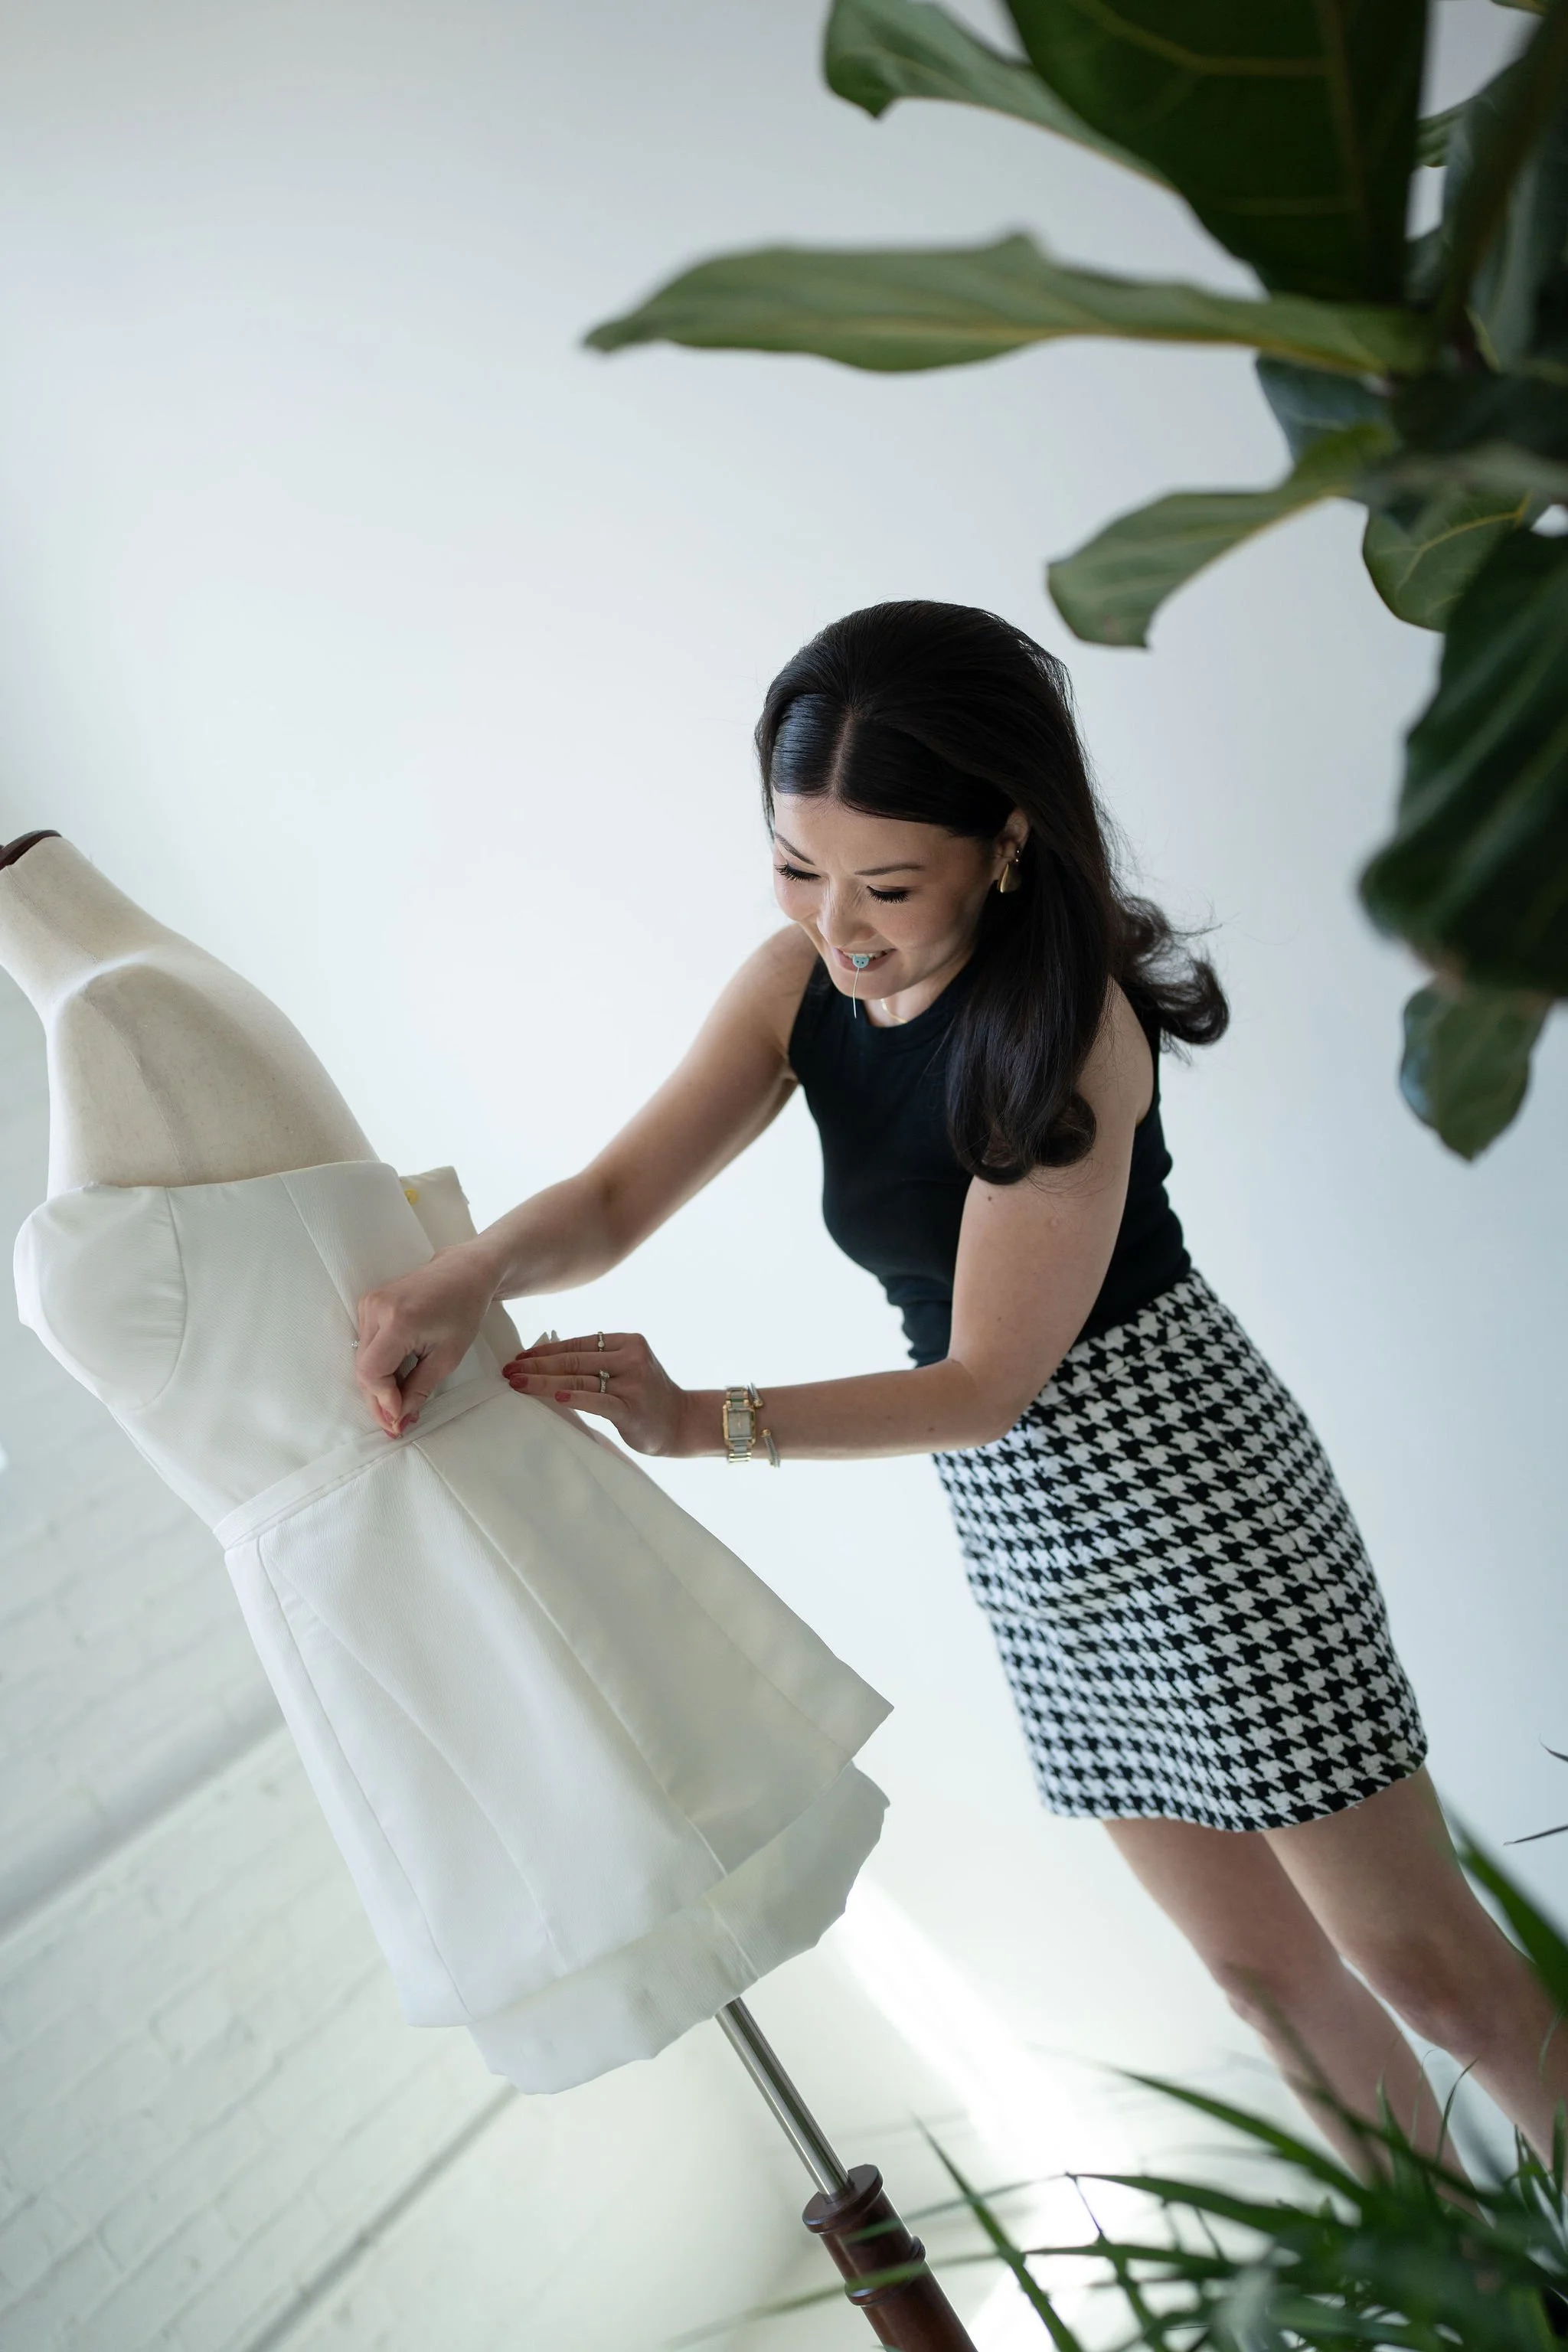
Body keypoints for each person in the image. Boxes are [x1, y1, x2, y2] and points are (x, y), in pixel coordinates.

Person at [354, 599, 1563, 2167]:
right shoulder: (800, 984)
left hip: (1196, 1498)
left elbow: (991, 1377)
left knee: (1427, 1969)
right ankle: (1454, 2281)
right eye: (797, 866)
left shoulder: (1067, 1028)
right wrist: (467, 1273)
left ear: (1006, 843)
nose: (837, 926)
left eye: (887, 884)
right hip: (1028, 1535)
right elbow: (610, 1198)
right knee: (1260, 1978)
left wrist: (703, 1423)